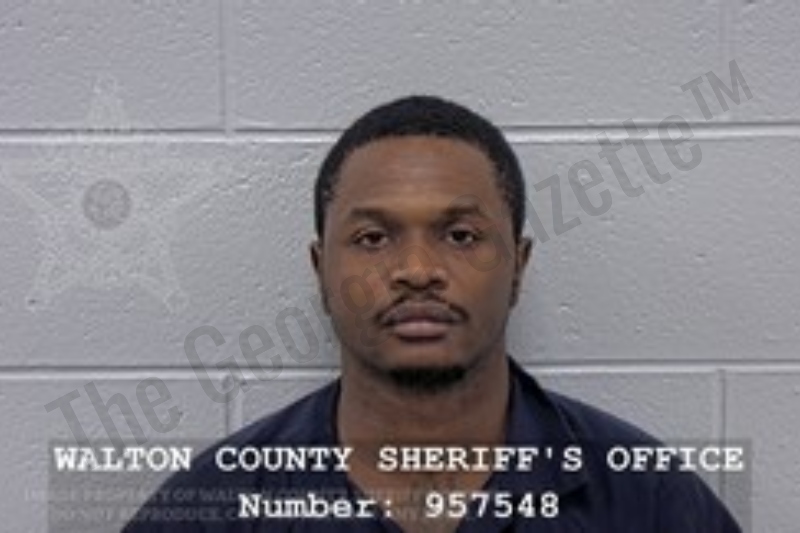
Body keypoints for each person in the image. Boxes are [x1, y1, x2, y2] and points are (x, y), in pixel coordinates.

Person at [122, 96, 742, 532]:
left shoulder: (648, 502)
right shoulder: (213, 510)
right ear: (320, 272)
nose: (417, 269)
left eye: (462, 236)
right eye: (372, 239)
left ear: (518, 267)